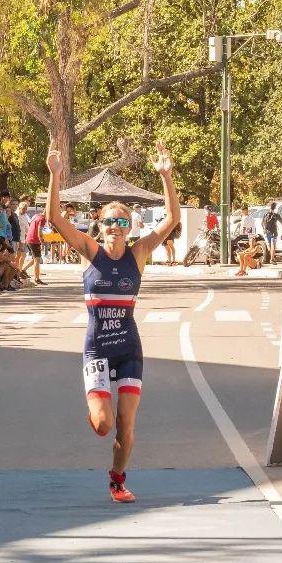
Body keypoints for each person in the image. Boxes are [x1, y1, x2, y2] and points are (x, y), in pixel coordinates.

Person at [44, 141, 179, 504]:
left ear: (129, 227)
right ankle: (96, 406)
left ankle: (118, 480)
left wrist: (166, 176)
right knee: (104, 425)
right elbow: (55, 219)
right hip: (97, 350)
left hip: (129, 349)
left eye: (121, 222)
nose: (115, 227)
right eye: (109, 222)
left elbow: (171, 220)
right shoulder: (90, 251)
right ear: (99, 225)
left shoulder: (139, 253)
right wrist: (55, 175)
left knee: (126, 424)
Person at [24, 207, 47, 285]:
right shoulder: (43, 219)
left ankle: (23, 270)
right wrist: (42, 242)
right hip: (34, 240)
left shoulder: (36, 216)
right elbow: (39, 231)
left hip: (29, 238)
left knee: (35, 258)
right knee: (37, 259)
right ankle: (37, 278)